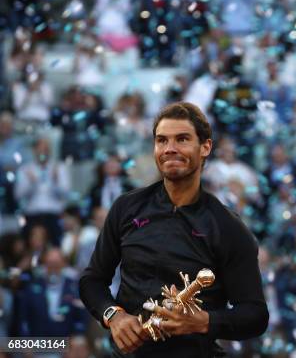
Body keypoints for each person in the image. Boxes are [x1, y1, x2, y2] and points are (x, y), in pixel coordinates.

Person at [79, 102, 269, 357]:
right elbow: (92, 281)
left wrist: (203, 322)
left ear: (205, 147)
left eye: (182, 139)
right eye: (162, 140)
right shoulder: (126, 208)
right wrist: (113, 316)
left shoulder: (228, 228)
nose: (170, 149)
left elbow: (255, 315)